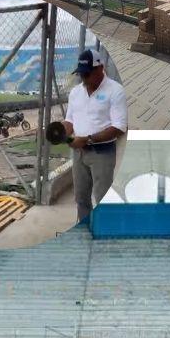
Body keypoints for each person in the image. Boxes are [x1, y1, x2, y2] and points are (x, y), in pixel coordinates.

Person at [63, 49, 127, 222]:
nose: (84, 79)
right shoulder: (76, 92)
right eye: (81, 75)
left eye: (87, 74)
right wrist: (62, 131)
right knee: (81, 198)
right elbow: (70, 120)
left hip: (103, 152)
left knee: (102, 198)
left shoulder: (115, 91)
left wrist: (88, 139)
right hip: (79, 153)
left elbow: (119, 126)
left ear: (101, 68)